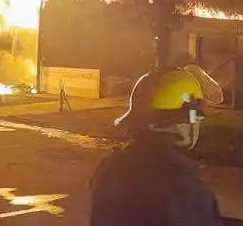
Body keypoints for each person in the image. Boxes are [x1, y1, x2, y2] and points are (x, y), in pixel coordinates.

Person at [88, 64, 226, 226]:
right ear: (185, 122)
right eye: (196, 116)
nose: (197, 122)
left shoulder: (109, 167)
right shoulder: (181, 184)